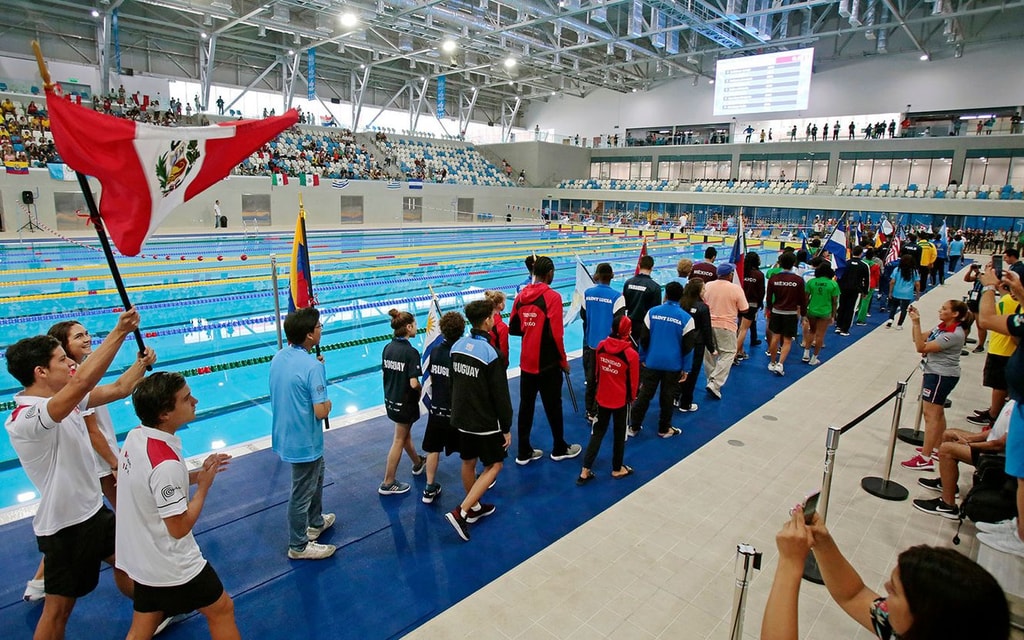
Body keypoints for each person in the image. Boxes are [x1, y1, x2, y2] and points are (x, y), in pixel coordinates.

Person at [5, 309, 155, 638]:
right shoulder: (27, 418)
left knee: (130, 562)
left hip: (93, 512)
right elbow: (82, 382)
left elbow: (119, 388)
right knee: (57, 612)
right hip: (66, 528)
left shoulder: (64, 399)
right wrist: (120, 331)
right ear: (41, 372)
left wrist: (141, 364)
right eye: (62, 360)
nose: (70, 364)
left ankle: (156, 611)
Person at [761, 505, 1010, 640]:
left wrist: (790, 563)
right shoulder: (904, 630)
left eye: (895, 592)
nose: (885, 590)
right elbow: (855, 595)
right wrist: (823, 544)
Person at [116, 372, 239, 639]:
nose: (195, 401)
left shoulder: (136, 437)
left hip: (143, 559)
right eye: (186, 399)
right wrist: (203, 487)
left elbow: (151, 484)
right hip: (173, 565)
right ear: (164, 414)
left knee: (141, 629)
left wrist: (197, 474)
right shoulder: (166, 464)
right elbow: (179, 527)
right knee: (222, 610)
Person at [268, 307, 336, 560]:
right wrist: (329, 404)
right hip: (304, 441)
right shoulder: (312, 366)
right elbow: (320, 411)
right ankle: (298, 545)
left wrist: (314, 368)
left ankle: (315, 522)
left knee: (317, 476)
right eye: (318, 327)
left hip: (286, 434)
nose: (320, 330)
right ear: (309, 335)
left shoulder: (279, 356)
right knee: (301, 493)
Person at [443, 300, 513, 542]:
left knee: (468, 461)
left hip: (461, 418)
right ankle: (461, 511)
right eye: (493, 316)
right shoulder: (491, 354)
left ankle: (473, 508)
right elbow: (501, 396)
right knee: (495, 465)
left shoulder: (457, 347)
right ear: (487, 321)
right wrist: (506, 428)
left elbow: (453, 384)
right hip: (484, 422)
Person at [509, 256, 580, 464]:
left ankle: (523, 452)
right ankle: (559, 448)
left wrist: (530, 331)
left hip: (527, 361)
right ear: (549, 273)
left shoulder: (521, 297)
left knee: (526, 406)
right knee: (553, 406)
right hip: (548, 363)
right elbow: (557, 335)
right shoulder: (552, 297)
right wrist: (563, 361)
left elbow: (513, 327)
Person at [977, 266, 1024, 556]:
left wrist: (989, 287)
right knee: (1020, 474)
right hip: (1020, 401)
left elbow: (986, 319)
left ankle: (1021, 537)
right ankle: (1018, 524)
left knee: (1023, 475)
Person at [900, 300, 970, 471]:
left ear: (955, 314)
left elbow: (921, 347)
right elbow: (919, 338)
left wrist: (916, 322)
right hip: (935, 373)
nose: (940, 310)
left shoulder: (953, 334)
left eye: (944, 309)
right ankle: (938, 447)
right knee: (937, 413)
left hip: (940, 376)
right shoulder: (942, 327)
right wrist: (915, 322)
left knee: (930, 415)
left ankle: (925, 457)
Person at [913, 400, 1011, 518]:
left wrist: (970, 445)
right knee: (949, 434)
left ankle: (947, 505)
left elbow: (1000, 445)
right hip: (990, 445)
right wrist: (970, 438)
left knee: (946, 450)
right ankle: (947, 484)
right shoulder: (1014, 402)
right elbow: (994, 431)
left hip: (996, 456)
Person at [628, 282, 695, 438]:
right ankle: (664, 429)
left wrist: (642, 357)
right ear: (681, 297)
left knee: (645, 394)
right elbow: (688, 347)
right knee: (667, 396)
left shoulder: (652, 313)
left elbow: (644, 338)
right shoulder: (687, 319)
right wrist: (686, 368)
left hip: (652, 361)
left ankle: (633, 427)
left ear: (665, 295)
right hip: (673, 364)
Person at [578, 315, 640, 485]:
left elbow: (597, 373)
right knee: (619, 434)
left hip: (602, 397)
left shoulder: (601, 346)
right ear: (628, 331)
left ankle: (585, 470)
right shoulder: (631, 354)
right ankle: (617, 468)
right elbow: (633, 383)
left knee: (597, 432)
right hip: (620, 400)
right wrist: (632, 398)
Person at [419, 311, 465, 504]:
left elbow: (430, 377)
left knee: (433, 449)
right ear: (461, 331)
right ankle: (474, 482)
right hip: (456, 412)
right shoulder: (460, 354)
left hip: (437, 410)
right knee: (468, 451)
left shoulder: (435, 351)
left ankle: (429, 487)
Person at [380, 309, 427, 494]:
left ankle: (418, 462)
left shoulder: (388, 348)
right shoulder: (410, 352)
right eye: (414, 324)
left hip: (391, 400)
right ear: (408, 327)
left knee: (404, 435)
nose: (416, 327)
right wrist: (422, 390)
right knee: (399, 439)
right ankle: (388, 482)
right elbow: (413, 383)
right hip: (405, 403)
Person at [581, 263, 626, 422]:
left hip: (591, 342)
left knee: (591, 379)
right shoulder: (617, 297)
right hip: (609, 347)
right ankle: (600, 409)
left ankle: (590, 411)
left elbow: (583, 316)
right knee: (605, 379)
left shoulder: (587, 293)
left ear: (597, 275)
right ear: (612, 276)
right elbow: (620, 323)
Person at [702, 263, 748, 395]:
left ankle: (710, 380)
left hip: (708, 325)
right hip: (726, 326)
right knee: (728, 354)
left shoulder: (708, 285)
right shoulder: (735, 288)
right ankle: (715, 382)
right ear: (730, 275)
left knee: (709, 355)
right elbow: (744, 309)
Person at [766, 252, 807, 370]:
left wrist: (770, 310)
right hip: (791, 313)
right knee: (787, 340)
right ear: (794, 263)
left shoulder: (774, 278)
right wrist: (803, 314)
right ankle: (780, 364)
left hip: (776, 311)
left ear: (780, 263)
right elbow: (802, 300)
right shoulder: (798, 280)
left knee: (775, 337)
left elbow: (768, 298)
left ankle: (772, 362)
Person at [803, 262, 839, 368]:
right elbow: (834, 302)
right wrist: (833, 315)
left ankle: (806, 354)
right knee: (820, 335)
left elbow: (806, 299)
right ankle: (814, 358)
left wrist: (804, 312)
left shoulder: (811, 282)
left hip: (812, 311)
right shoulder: (833, 284)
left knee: (812, 331)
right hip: (825, 312)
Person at [621, 254, 661, 345]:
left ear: (639, 266)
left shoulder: (628, 283)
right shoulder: (655, 287)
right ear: (652, 268)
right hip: (645, 326)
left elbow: (625, 305)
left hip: (629, 324)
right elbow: (655, 312)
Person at [735, 252, 765, 363]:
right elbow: (761, 292)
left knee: (739, 328)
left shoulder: (741, 272)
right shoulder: (759, 274)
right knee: (743, 329)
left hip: (739, 303)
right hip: (751, 305)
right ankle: (734, 354)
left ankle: (741, 351)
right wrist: (760, 303)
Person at [835, 246, 870, 336]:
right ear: (861, 253)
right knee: (850, 309)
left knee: (842, 306)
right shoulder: (864, 265)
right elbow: (866, 280)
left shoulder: (845, 263)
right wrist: (865, 291)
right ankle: (844, 329)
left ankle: (838, 326)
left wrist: (838, 287)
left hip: (843, 288)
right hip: (855, 290)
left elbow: (839, 275)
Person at [886, 255, 920, 329]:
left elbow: (892, 282)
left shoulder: (897, 269)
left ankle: (890, 320)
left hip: (896, 292)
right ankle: (899, 325)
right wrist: (918, 294)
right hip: (907, 293)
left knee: (894, 306)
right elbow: (917, 284)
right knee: (904, 309)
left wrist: (890, 292)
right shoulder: (914, 271)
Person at [483, 290, 509, 364]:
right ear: (499, 304)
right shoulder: (502, 327)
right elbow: (504, 351)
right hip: (496, 363)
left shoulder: (482, 321)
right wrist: (505, 364)